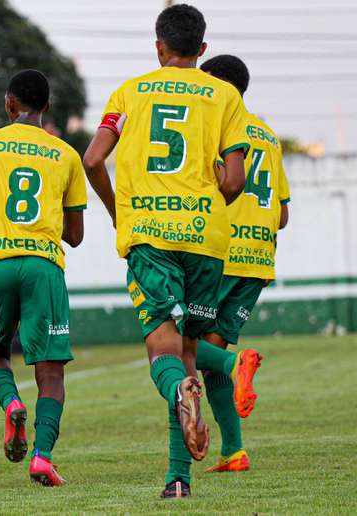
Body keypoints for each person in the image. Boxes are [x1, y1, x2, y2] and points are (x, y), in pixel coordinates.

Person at [82, 4, 250, 498]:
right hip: (206, 238)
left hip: (149, 235)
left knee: (164, 349)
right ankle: (178, 479)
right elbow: (235, 179)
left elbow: (93, 159)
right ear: (202, 49)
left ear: (159, 47)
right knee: (191, 353)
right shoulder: (224, 96)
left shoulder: (129, 92)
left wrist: (119, 212)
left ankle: (179, 410)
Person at [0, 69, 86, 486]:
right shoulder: (66, 154)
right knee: (51, 370)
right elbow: (75, 236)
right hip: (43, 265)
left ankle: (10, 404)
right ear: (47, 108)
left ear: (9, 104)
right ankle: (42, 456)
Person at [193, 54, 289, 473]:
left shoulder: (217, 129)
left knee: (177, 346)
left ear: (219, 86)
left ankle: (238, 364)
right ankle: (234, 452)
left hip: (220, 252)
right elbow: (282, 214)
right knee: (210, 355)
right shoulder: (268, 135)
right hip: (257, 260)